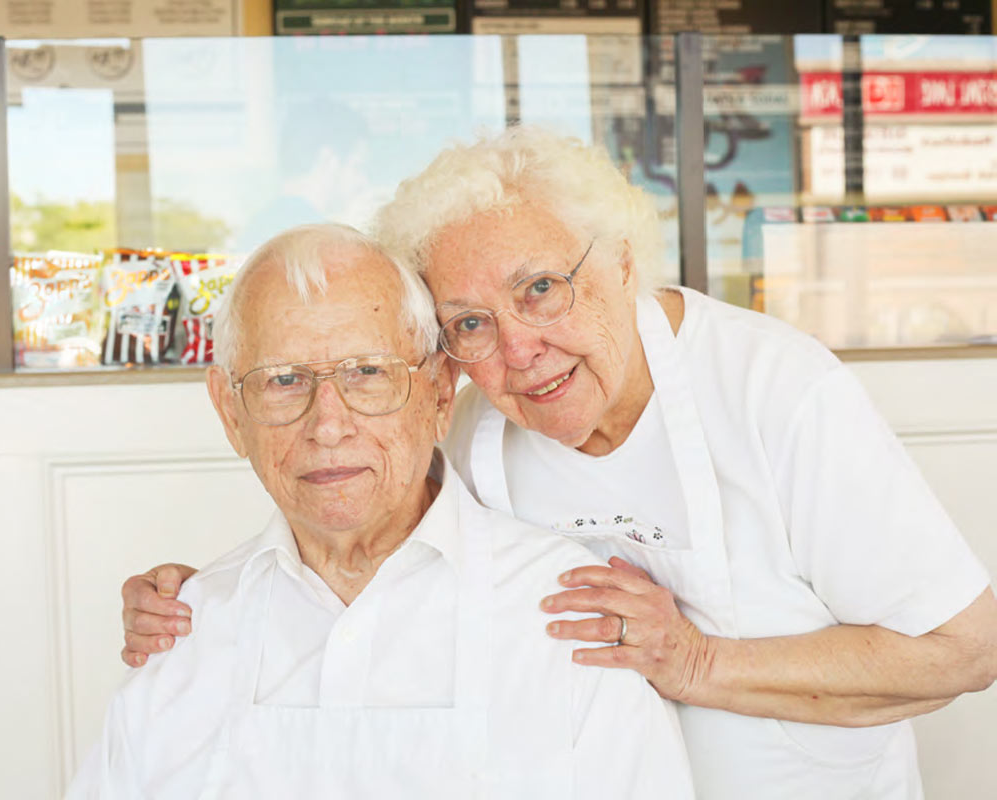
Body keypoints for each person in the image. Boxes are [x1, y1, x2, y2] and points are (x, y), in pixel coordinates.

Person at [120, 128, 997, 798]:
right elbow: (356, 532)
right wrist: (208, 600)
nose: (521, 348)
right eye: (471, 323)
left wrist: (693, 661)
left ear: (621, 259)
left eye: (541, 288)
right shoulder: (468, 428)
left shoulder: (777, 393)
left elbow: (964, 649)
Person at [69, 224, 694, 798]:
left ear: (441, 393)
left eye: (368, 372)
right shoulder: (183, 634)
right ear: (231, 414)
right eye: (284, 380)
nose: (329, 425)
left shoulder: (571, 618)